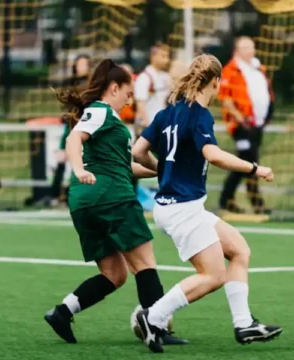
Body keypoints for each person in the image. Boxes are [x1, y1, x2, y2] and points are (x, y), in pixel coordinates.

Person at [131, 54, 282, 353]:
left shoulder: (167, 113)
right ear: (214, 82)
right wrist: (255, 168)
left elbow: (138, 151)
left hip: (179, 206)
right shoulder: (199, 114)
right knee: (213, 275)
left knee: (239, 250)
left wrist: (161, 169)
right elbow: (213, 154)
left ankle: (244, 324)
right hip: (182, 208)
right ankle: (154, 316)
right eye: (218, 85)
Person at [43, 58, 188, 346]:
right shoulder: (100, 111)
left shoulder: (104, 118)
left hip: (85, 202)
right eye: (127, 91)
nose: (130, 97)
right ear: (113, 88)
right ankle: (156, 327)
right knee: (145, 262)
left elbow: (125, 166)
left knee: (115, 274)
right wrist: (79, 169)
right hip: (111, 197)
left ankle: (62, 312)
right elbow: (74, 141)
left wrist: (165, 171)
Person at [218, 36, 274, 215]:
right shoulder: (230, 71)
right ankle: (233, 200)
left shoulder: (258, 69)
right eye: (245, 48)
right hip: (241, 126)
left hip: (256, 125)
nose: (250, 51)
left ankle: (246, 201)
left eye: (251, 47)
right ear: (236, 51)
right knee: (246, 161)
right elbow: (225, 99)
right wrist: (240, 118)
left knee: (251, 161)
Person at [51, 55, 92, 204]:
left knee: (81, 161)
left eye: (84, 64)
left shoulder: (92, 85)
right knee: (62, 158)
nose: (82, 67)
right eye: (79, 64)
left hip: (85, 126)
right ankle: (55, 194)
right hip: (71, 126)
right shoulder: (70, 84)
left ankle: (73, 193)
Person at [134, 43, 171, 132]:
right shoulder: (145, 77)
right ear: (153, 56)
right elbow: (140, 104)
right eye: (163, 56)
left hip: (164, 126)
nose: (166, 60)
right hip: (150, 125)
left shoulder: (166, 76)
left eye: (167, 56)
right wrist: (148, 125)